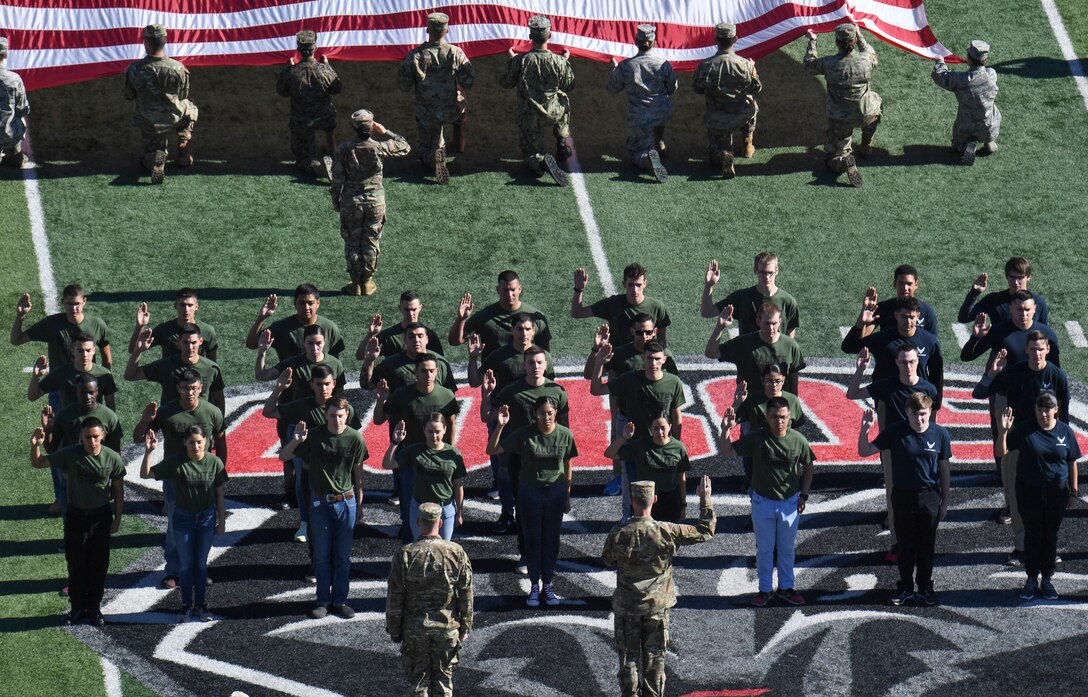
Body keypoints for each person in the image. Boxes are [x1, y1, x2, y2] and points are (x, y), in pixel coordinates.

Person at [603, 476, 715, 697]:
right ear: (654, 499)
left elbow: (608, 559)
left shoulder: (618, 533)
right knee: (655, 659)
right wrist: (705, 499)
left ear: (631, 501)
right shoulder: (667, 531)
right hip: (656, 608)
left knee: (628, 659)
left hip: (627, 607)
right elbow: (705, 531)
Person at [133, 369, 227, 589]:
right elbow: (138, 438)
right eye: (185, 388)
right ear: (178, 389)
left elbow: (222, 443)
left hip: (204, 477)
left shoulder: (212, 412)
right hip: (175, 477)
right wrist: (145, 420)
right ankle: (174, 570)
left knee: (204, 525)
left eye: (193, 388)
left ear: (201, 388)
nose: (189, 392)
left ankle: (198, 570)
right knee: (175, 526)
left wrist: (220, 474)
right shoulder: (166, 411)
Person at [720, 398, 815, 606]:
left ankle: (786, 587)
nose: (779, 421)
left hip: (789, 503)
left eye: (782, 417)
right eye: (774, 417)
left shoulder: (798, 440)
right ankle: (764, 589)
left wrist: (804, 495)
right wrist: (725, 429)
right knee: (764, 549)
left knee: (787, 549)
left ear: (789, 417)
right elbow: (726, 451)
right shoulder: (757, 438)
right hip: (762, 502)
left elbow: (809, 466)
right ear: (766, 417)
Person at [858, 393, 951, 606]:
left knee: (927, 546)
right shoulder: (895, 431)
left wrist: (945, 501)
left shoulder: (941, 434)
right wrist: (865, 429)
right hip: (902, 496)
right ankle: (906, 587)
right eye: (915, 414)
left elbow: (945, 470)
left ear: (930, 412)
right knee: (905, 545)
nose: (919, 418)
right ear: (906, 412)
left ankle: (926, 588)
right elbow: (864, 451)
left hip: (930, 496)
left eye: (923, 414)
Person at [31, 418, 124, 626]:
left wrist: (117, 518)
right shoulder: (70, 454)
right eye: (88, 437)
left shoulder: (112, 458)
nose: (92, 441)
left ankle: (94, 608)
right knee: (76, 564)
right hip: (77, 517)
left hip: (101, 517)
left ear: (103, 436)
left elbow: (119, 490)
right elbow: (39, 463)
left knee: (99, 565)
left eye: (95, 436)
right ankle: (76, 608)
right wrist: (35, 446)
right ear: (80, 437)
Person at [258, 325, 346, 541]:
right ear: (303, 344)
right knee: (302, 478)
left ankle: (339, 518)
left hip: (329, 428)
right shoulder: (294, 363)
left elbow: (341, 398)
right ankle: (306, 522)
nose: (314, 348)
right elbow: (262, 375)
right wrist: (262, 352)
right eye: (310, 343)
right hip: (301, 429)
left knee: (335, 475)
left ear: (325, 342)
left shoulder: (335, 364)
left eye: (318, 343)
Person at [280, 398, 366, 619]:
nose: (337, 420)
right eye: (332, 415)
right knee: (321, 554)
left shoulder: (355, 438)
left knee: (342, 556)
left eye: (340, 416)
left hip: (347, 501)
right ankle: (322, 600)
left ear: (347, 415)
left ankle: (341, 600)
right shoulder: (314, 435)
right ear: (326, 415)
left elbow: (358, 475)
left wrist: (360, 504)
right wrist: (295, 441)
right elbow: (284, 456)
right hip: (320, 502)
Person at [488, 398, 578, 606]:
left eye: (549, 413)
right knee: (532, 539)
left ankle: (547, 584)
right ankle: (534, 586)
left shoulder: (565, 434)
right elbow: (492, 450)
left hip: (555, 493)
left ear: (556, 413)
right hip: (530, 492)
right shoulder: (524, 434)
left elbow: (568, 464)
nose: (546, 417)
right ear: (535, 414)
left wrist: (567, 494)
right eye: (541, 413)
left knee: (551, 540)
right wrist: (500, 426)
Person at [482, 346, 569, 555]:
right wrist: (487, 394)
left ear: (546, 365)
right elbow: (487, 417)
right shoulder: (511, 391)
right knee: (523, 508)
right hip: (521, 459)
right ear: (524, 366)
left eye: (539, 362)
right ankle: (525, 553)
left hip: (550, 458)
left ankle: (548, 555)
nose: (535, 366)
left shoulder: (558, 392)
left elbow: (565, 429)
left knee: (551, 509)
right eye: (531, 363)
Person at [996, 393, 1081, 601]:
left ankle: (1048, 579)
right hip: (1029, 491)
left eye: (1047, 409)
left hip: (1056, 493)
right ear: (1035, 410)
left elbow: (1072, 462)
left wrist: (1074, 491)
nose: (1043, 414)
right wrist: (1003, 432)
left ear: (1056, 410)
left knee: (1050, 536)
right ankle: (1032, 578)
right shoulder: (1025, 429)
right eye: (1039, 409)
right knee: (1033, 535)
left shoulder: (1065, 431)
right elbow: (1002, 452)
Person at [592, 339, 685, 522]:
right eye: (649, 358)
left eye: (657, 359)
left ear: (664, 359)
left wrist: (675, 445)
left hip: (663, 449)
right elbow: (596, 389)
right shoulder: (630, 379)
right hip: (636, 450)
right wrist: (599, 364)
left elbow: (676, 417)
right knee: (637, 502)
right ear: (643, 358)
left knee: (665, 498)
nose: (653, 363)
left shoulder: (673, 382)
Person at [140, 424, 227, 622]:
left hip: (206, 519)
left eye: (199, 442)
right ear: (184, 443)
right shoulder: (175, 461)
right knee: (186, 565)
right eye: (191, 442)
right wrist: (149, 452)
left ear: (206, 441)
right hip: (182, 520)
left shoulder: (214, 462)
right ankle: (186, 606)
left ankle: (202, 605)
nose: (196, 446)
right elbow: (145, 474)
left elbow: (220, 494)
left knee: (201, 565)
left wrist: (221, 522)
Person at [386, 502, 473, 696]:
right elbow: (466, 592)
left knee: (419, 683)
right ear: (440, 523)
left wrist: (394, 628)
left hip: (415, 629)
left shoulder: (405, 554)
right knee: (444, 681)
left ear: (418, 522)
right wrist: (466, 626)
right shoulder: (456, 552)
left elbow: (395, 595)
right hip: (447, 628)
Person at [375, 354, 459, 543]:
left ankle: (439, 553)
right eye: (424, 371)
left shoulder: (446, 395)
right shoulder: (402, 395)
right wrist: (380, 401)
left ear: (437, 372)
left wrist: (448, 452)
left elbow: (452, 424)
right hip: (411, 463)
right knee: (410, 513)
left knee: (442, 508)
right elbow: (379, 419)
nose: (428, 375)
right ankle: (411, 551)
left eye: (431, 371)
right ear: (415, 372)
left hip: (439, 463)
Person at [329, 109, 411, 295]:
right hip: (375, 202)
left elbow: (337, 179)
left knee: (352, 242)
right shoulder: (379, 147)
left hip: (351, 202)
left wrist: (336, 200)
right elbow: (404, 146)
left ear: (353, 127)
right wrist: (385, 131)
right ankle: (367, 282)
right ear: (372, 127)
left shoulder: (344, 148)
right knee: (371, 242)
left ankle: (355, 284)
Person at [397, 12, 475, 184]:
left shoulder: (415, 56)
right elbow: (468, 81)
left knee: (426, 149)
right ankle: (459, 141)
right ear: (446, 30)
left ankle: (433, 157)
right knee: (462, 101)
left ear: (427, 30)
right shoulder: (456, 53)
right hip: (452, 108)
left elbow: (404, 85)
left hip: (427, 111)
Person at [499, 15, 574, 186]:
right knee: (563, 98)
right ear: (550, 35)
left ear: (530, 36)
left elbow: (505, 82)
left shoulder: (521, 60)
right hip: (554, 112)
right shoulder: (559, 61)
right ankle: (561, 144)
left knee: (530, 156)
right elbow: (569, 85)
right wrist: (564, 62)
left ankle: (541, 161)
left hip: (529, 116)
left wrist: (512, 61)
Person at [803, 24, 881, 187]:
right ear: (854, 41)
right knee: (877, 105)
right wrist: (860, 36)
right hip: (864, 113)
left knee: (834, 155)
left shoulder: (829, 63)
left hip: (840, 118)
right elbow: (871, 53)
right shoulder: (866, 59)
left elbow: (809, 65)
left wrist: (812, 41)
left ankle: (844, 161)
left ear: (837, 42)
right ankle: (866, 146)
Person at [122, 24, 198, 184]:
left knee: (148, 155)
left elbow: (129, 95)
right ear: (164, 42)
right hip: (173, 115)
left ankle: (155, 158)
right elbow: (183, 95)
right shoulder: (178, 68)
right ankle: (183, 147)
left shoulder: (134, 69)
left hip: (148, 120)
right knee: (190, 104)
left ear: (147, 43)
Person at [842, 297, 944, 408]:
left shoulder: (930, 341)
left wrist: (935, 406)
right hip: (888, 401)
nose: (908, 321)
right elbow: (849, 347)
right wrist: (860, 324)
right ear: (896, 316)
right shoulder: (882, 339)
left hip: (919, 403)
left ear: (918, 316)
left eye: (911, 317)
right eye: (904, 317)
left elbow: (936, 374)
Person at [606, 24, 676, 183]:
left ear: (636, 41)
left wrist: (615, 70)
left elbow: (612, 88)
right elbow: (672, 88)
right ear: (654, 42)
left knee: (637, 152)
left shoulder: (626, 66)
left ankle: (647, 159)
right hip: (663, 111)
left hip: (640, 117)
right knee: (657, 112)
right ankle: (659, 142)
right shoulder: (664, 64)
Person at [692, 23, 762, 178]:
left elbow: (697, 88)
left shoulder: (705, 65)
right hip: (741, 113)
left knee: (715, 152)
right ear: (735, 39)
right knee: (752, 101)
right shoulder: (745, 65)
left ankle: (724, 155)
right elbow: (756, 89)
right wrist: (753, 70)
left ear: (716, 40)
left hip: (717, 118)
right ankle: (747, 144)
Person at [384, 414, 466, 540]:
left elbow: (458, 485)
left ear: (445, 429)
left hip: (445, 509)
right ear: (424, 430)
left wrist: (460, 511)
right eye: (430, 431)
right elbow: (388, 464)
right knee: (420, 548)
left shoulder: (454, 454)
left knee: (442, 549)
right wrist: (395, 442)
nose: (434, 436)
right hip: (420, 509)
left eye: (437, 431)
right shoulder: (414, 450)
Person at [276, 30, 342, 177]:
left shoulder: (291, 72)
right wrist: (328, 66)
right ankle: (333, 156)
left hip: (302, 120)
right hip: (325, 117)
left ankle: (317, 167)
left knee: (303, 158)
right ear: (315, 48)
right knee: (329, 131)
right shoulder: (324, 70)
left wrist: (289, 69)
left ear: (298, 49)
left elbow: (282, 91)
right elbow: (337, 88)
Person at [604, 414, 691, 523]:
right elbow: (609, 454)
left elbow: (681, 478)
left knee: (668, 533)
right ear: (650, 429)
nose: (660, 432)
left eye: (663, 428)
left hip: (670, 500)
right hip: (645, 500)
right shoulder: (641, 445)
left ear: (670, 427)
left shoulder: (679, 447)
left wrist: (683, 505)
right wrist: (624, 437)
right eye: (656, 428)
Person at [449, 270, 551, 361]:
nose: (509, 294)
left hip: (524, 375)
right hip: (493, 375)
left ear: (520, 289)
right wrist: (461, 319)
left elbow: (545, 355)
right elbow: (454, 341)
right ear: (498, 290)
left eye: (513, 290)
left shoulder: (536, 317)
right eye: (505, 290)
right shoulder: (484, 316)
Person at [706, 302, 805, 396]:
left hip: (779, 405)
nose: (771, 328)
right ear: (758, 321)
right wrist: (719, 327)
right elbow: (711, 353)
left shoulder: (791, 346)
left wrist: (794, 404)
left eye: (774, 323)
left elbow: (793, 381)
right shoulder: (744, 343)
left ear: (780, 321)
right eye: (767, 323)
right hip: (750, 405)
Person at [126, 322, 226, 412]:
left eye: (193, 342)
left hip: (201, 423)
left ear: (201, 341)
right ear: (178, 341)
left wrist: (220, 425)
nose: (190, 347)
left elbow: (219, 399)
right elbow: (130, 375)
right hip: (171, 423)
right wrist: (138, 350)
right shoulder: (165, 365)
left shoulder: (211, 368)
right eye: (185, 342)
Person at [11, 285, 112, 372]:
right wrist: (20, 315)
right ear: (63, 301)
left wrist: (106, 381)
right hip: (59, 385)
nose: (74, 308)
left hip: (87, 384)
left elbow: (107, 359)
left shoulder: (97, 325)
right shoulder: (51, 323)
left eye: (77, 304)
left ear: (84, 301)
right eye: (70, 304)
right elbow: (16, 340)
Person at [932, 40, 1000, 165]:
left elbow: (940, 76)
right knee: (988, 113)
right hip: (990, 124)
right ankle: (989, 142)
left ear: (969, 58)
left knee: (956, 145)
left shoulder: (961, 80)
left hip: (966, 127)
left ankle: (964, 146)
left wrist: (940, 62)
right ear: (985, 59)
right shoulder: (992, 74)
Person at [572, 263, 672, 346]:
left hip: (645, 361)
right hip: (618, 362)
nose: (635, 290)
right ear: (624, 284)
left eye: (638, 285)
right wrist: (578, 289)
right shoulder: (613, 303)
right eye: (631, 285)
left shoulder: (657, 307)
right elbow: (577, 313)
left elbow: (662, 342)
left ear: (645, 284)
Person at [701, 253, 799, 337]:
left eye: (770, 272)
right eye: (762, 272)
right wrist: (709, 285)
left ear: (776, 271)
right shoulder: (742, 297)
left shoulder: (788, 302)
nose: (767, 277)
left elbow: (790, 337)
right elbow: (707, 312)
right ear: (755, 270)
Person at [29, 333, 118, 411]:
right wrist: (36, 376)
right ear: (72, 350)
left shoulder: (104, 375)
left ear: (94, 351)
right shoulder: (60, 373)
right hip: (67, 424)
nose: (85, 355)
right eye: (80, 351)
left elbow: (111, 408)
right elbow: (33, 396)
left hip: (92, 424)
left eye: (88, 350)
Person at [468, 312, 554, 391]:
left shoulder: (544, 357)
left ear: (533, 331)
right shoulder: (498, 356)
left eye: (528, 329)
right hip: (504, 403)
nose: (524, 334)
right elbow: (475, 382)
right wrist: (473, 357)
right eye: (520, 329)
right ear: (512, 330)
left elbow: (549, 389)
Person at [130, 288, 220, 361]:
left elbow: (212, 364)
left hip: (196, 378)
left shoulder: (207, 331)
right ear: (175, 306)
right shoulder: (164, 329)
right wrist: (139, 326)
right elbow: (133, 349)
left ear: (196, 306)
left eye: (190, 305)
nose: (186, 310)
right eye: (182, 305)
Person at [957, 257, 1050, 327]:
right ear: (1006, 277)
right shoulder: (994, 300)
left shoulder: (1039, 302)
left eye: (1020, 277)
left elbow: (1044, 333)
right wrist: (974, 292)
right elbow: (964, 318)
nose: (1015, 282)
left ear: (1028, 277)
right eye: (1012, 277)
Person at [356, 290, 445, 360]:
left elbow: (440, 361)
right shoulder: (389, 336)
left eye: (414, 309)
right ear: (400, 308)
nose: (411, 314)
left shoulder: (430, 335)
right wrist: (370, 334)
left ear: (420, 308)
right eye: (407, 309)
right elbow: (361, 356)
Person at [859, 264, 939, 337]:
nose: (905, 288)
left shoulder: (927, 311)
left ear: (916, 284)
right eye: (901, 283)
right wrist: (864, 311)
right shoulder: (883, 307)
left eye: (909, 284)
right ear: (895, 284)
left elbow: (932, 342)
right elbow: (863, 339)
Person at [0, 35, 30, 168]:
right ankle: (16, 155)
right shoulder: (14, 78)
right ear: (5, 55)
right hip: (8, 134)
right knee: (20, 118)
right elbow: (23, 109)